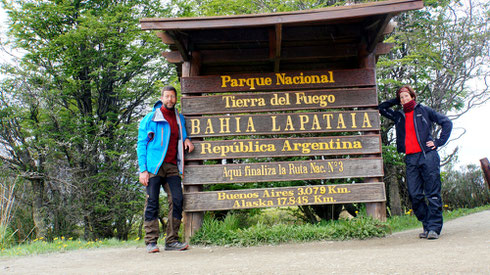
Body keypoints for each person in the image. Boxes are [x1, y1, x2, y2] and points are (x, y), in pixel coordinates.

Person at [378, 85, 452, 240]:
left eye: (406, 96)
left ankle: (434, 229)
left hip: (428, 156)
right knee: (415, 194)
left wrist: (438, 142)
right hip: (411, 158)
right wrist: (396, 99)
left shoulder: (424, 110)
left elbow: (446, 122)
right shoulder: (399, 115)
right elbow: (382, 108)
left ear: (412, 96)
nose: (404, 99)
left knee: (432, 193)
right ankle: (426, 224)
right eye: (402, 97)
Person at [137, 86, 194, 253]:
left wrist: (187, 140)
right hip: (154, 167)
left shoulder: (179, 118)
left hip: (171, 166)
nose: (170, 99)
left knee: (177, 200)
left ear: (176, 99)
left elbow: (181, 134)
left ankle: (171, 240)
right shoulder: (150, 119)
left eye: (172, 96)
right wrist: (143, 170)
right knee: (152, 202)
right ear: (161, 98)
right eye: (167, 96)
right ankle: (150, 242)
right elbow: (141, 144)